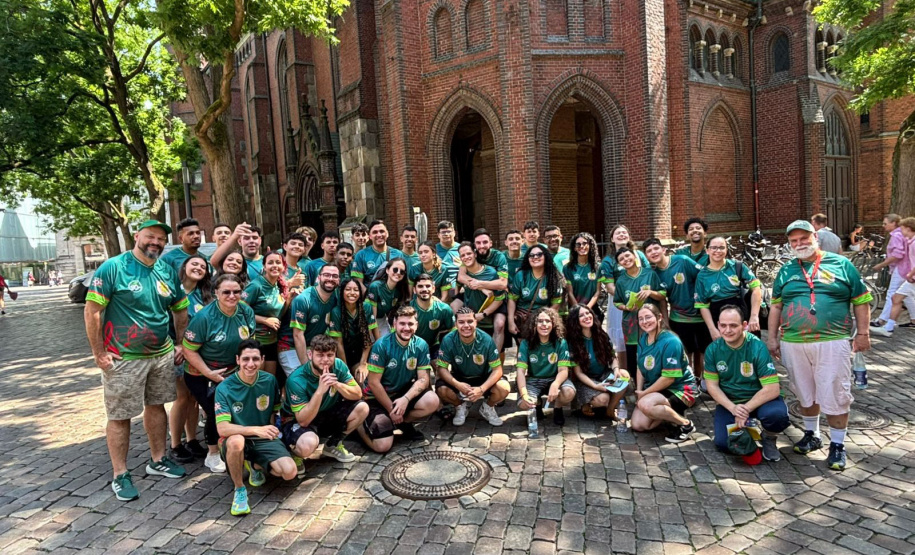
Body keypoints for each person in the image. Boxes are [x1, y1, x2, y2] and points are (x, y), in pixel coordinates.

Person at [85, 220, 190, 502]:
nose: (155, 242)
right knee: (120, 416)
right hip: (124, 358)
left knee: (157, 407)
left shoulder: (166, 270)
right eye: (150, 236)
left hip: (160, 355)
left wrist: (179, 342)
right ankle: (120, 474)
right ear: (137, 236)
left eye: (161, 239)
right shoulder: (113, 267)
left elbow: (181, 309)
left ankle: (157, 460)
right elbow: (93, 310)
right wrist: (99, 352)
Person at [768, 220, 872, 471]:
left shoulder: (841, 264)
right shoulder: (786, 270)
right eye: (794, 241)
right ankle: (811, 434)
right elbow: (776, 306)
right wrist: (772, 338)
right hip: (794, 342)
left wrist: (863, 333)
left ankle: (837, 445)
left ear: (815, 236)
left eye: (804, 238)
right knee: (804, 391)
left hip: (832, 340)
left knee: (835, 392)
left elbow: (862, 299)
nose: (799, 244)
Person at [181, 274, 256, 473]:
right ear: (216, 293)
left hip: (233, 371)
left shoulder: (246, 311)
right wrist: (208, 373)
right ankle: (212, 454)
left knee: (238, 408)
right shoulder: (204, 317)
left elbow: (250, 342)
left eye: (236, 292)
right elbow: (188, 350)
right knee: (217, 410)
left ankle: (237, 446)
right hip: (200, 373)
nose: (232, 296)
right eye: (226, 292)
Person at [215, 340, 297, 516]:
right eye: (245, 359)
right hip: (236, 437)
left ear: (262, 360)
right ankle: (239, 490)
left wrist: (274, 435)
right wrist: (255, 430)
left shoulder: (270, 381)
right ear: (237, 360)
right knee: (237, 442)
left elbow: (274, 412)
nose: (250, 364)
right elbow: (222, 429)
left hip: (262, 436)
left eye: (255, 359)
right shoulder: (224, 388)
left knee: (289, 472)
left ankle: (254, 464)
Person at [704, 305, 788, 461]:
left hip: (760, 400)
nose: (727, 330)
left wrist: (746, 409)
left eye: (733, 325)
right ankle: (747, 431)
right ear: (718, 325)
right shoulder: (712, 350)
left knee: (777, 416)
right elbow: (712, 386)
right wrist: (733, 408)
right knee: (723, 444)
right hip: (732, 402)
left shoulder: (757, 347)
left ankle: (769, 437)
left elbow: (772, 389)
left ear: (744, 325)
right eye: (723, 325)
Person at [360, 306, 441, 452]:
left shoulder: (421, 345)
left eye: (410, 324)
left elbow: (423, 379)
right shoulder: (382, 345)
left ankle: (400, 422)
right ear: (394, 324)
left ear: (416, 326)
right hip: (375, 398)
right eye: (402, 323)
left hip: (400, 393)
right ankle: (360, 427)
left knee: (432, 400)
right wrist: (392, 409)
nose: (406, 328)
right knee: (383, 446)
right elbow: (373, 383)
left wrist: (406, 399)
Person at [282, 334, 369, 464]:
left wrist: (337, 384)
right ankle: (295, 454)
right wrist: (319, 392)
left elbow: (357, 394)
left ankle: (332, 445)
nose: (325, 360)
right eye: (320, 355)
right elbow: (303, 421)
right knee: (308, 445)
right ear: (310, 355)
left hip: (326, 412)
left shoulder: (338, 365)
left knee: (362, 408)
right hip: (297, 420)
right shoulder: (296, 380)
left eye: (329, 355)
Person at [643, 238, 710, 380]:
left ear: (663, 250)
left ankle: (704, 381)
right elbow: (661, 300)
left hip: (701, 315)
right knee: (685, 353)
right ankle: (691, 382)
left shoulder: (682, 260)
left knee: (703, 352)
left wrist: (701, 298)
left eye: (656, 248)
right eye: (649, 251)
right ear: (647, 256)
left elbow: (704, 276)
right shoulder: (654, 274)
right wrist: (666, 322)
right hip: (678, 317)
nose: (653, 252)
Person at [630, 304, 698, 443]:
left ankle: (685, 425)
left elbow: (668, 379)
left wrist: (645, 394)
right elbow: (640, 367)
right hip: (658, 388)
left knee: (646, 405)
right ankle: (668, 414)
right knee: (639, 425)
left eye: (648, 317)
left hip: (680, 389)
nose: (644, 322)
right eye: (641, 318)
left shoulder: (671, 342)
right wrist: (639, 390)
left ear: (659, 317)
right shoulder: (643, 338)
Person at [168, 255, 213, 464]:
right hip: (177, 352)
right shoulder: (170, 291)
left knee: (194, 398)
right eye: (194, 264)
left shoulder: (204, 295)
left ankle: (192, 439)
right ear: (184, 266)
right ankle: (175, 444)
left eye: (203, 266)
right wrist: (176, 344)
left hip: (198, 354)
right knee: (182, 398)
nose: (198, 268)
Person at [435, 308, 509, 426]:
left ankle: (487, 407)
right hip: (460, 377)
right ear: (456, 324)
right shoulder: (448, 340)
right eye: (461, 322)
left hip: (483, 376)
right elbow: (442, 368)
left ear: (476, 322)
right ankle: (460, 406)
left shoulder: (486, 340)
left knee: (504, 388)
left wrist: (481, 389)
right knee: (441, 390)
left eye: (470, 321)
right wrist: (457, 384)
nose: (466, 325)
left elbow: (497, 370)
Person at [598, 224, 650, 369]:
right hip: (619, 304)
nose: (621, 235)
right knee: (622, 340)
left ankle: (645, 371)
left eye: (624, 233)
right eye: (618, 233)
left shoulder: (639, 255)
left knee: (644, 334)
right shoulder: (608, 261)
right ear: (612, 239)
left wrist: (642, 296)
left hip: (642, 301)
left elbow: (648, 275)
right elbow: (609, 287)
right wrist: (626, 299)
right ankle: (626, 373)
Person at [515, 307, 576, 426]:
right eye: (540, 321)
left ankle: (558, 408)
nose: (544, 324)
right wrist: (524, 394)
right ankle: (536, 405)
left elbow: (563, 370)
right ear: (534, 324)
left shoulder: (560, 342)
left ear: (553, 324)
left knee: (569, 392)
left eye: (548, 321)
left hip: (554, 378)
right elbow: (521, 372)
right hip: (534, 380)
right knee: (523, 403)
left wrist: (556, 384)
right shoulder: (526, 343)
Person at [694, 236, 762, 340]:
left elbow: (756, 288)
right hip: (717, 314)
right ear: (707, 250)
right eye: (714, 248)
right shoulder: (702, 276)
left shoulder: (737, 266)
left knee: (748, 348)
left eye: (722, 247)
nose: (718, 251)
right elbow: (702, 305)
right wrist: (712, 329)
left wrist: (754, 316)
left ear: (726, 250)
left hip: (741, 311)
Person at [566, 305, 628, 418]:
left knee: (624, 375)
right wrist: (596, 387)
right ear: (575, 321)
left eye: (588, 313)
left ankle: (610, 409)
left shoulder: (601, 334)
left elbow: (612, 357)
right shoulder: (573, 342)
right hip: (586, 381)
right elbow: (578, 373)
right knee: (603, 399)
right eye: (581, 315)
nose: (586, 316)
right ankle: (586, 404)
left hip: (603, 375)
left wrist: (616, 370)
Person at [613, 247, 666, 369]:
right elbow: (617, 302)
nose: (626, 260)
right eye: (621, 259)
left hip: (650, 323)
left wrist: (650, 293)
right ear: (619, 264)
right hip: (631, 325)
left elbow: (662, 294)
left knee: (653, 354)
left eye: (627, 256)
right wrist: (625, 307)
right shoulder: (621, 281)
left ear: (634, 256)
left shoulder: (650, 273)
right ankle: (635, 384)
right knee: (633, 356)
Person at [242, 251, 290, 377]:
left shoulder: (279, 286)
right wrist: (264, 320)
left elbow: (279, 315)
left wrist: (289, 300)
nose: (275, 265)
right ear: (264, 266)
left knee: (268, 380)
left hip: (272, 341)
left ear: (283, 266)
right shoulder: (256, 285)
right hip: (256, 341)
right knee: (255, 380)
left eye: (278, 262)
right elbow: (240, 310)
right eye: (270, 262)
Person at [290, 265, 340, 373]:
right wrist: (307, 367)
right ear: (318, 277)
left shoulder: (335, 298)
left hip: (316, 348)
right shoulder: (303, 299)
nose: (330, 279)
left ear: (339, 280)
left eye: (334, 276)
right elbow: (297, 335)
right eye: (326, 275)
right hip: (291, 347)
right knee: (303, 380)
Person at [454, 241, 505, 347]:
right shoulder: (463, 273)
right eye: (463, 255)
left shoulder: (491, 273)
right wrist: (482, 288)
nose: (466, 257)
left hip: (487, 318)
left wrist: (484, 314)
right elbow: (459, 284)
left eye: (469, 254)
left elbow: (500, 298)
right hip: (471, 319)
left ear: (475, 254)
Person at [328, 277, 378, 383]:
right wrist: (346, 371)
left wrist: (363, 363)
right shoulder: (336, 312)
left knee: (366, 378)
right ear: (342, 292)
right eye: (348, 289)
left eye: (356, 290)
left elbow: (367, 339)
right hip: (344, 356)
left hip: (361, 355)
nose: (352, 293)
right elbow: (339, 344)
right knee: (354, 381)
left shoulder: (366, 307)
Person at [507, 245, 564, 337]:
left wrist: (543, 320)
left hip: (543, 319)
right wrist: (510, 322)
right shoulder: (521, 275)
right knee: (524, 348)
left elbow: (556, 303)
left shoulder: (554, 277)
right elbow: (512, 299)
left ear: (546, 256)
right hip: (523, 320)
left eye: (539, 254)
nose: (535, 257)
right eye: (531, 255)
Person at [872, 217, 915, 337]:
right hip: (909, 274)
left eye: (885, 223)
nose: (883, 225)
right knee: (901, 297)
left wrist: (910, 274)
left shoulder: (905, 239)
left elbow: (900, 255)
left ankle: (886, 325)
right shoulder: (910, 240)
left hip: (907, 273)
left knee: (895, 297)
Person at [410, 274, 455, 358]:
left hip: (433, 345)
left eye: (428, 286)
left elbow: (453, 331)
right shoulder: (408, 310)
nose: (424, 289)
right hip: (411, 347)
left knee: (439, 366)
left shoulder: (444, 309)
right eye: (420, 286)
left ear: (433, 289)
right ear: (414, 290)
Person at [351, 220, 404, 288]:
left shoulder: (398, 254)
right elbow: (358, 283)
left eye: (382, 231)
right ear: (370, 236)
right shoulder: (361, 255)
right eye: (375, 232)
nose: (379, 235)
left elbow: (402, 281)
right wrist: (370, 296)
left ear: (387, 234)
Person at [367, 257, 410, 337]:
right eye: (395, 269)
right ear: (387, 270)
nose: (398, 273)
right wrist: (378, 340)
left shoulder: (399, 291)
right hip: (369, 321)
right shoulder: (375, 287)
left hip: (382, 319)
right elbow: (372, 317)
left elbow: (394, 315)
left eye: (402, 271)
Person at [563, 232, 601, 317]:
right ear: (574, 248)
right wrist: (578, 309)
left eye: (585, 243)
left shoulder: (598, 267)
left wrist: (587, 309)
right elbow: (569, 292)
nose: (582, 246)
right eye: (578, 244)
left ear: (590, 246)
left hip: (592, 309)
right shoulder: (568, 268)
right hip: (574, 309)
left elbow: (597, 292)